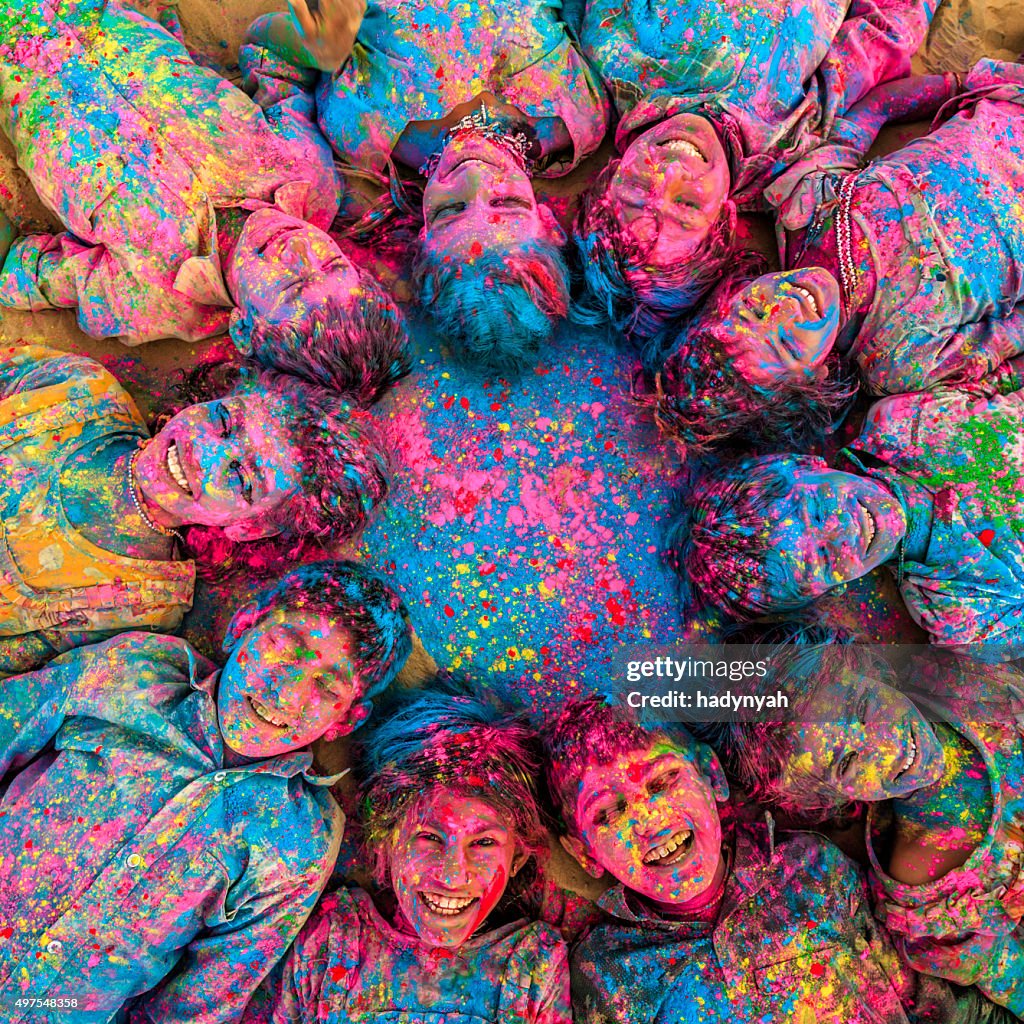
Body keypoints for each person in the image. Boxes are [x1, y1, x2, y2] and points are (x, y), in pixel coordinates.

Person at [0, 560, 412, 1022]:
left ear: (346, 720)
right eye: (285, 649)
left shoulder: (300, 843)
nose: (287, 692)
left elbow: (196, 1004)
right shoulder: (136, 674)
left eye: (325, 685)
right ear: (243, 626)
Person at [0, 0, 409, 396]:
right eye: (331, 261)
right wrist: (314, 46)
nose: (298, 249)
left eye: (293, 285)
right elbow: (271, 62)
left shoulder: (151, 301)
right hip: (100, 14)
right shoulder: (307, 172)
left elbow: (22, 272)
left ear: (245, 328)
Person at [542, 695, 981, 1023]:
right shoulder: (603, 972)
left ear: (712, 777)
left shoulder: (810, 870)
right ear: (584, 853)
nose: (649, 820)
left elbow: (929, 1001)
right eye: (607, 813)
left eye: (663, 780)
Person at [656, 60, 1024, 451]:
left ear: (735, 290)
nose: (786, 307)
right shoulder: (896, 360)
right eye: (787, 344)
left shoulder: (805, 208)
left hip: (1008, 107)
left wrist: (958, 83)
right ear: (816, 381)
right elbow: (1011, 335)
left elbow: (877, 109)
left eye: (754, 309)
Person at [244, 0, 609, 372]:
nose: (474, 176)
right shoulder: (582, 117)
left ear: (422, 235)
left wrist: (315, 46)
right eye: (505, 202)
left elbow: (267, 54)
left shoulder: (362, 130)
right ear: (548, 222)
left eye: (449, 210)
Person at [571, 0, 942, 349]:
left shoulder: (616, 54)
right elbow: (880, 40)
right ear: (723, 222)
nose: (669, 170)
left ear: (612, 172)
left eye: (637, 183)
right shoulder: (793, 138)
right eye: (685, 204)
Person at [0, 345, 390, 675]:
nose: (202, 453)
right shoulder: (82, 389)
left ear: (250, 528)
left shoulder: (144, 606)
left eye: (242, 478)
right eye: (223, 420)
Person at [718, 643, 1024, 1013]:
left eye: (862, 708)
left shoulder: (962, 682)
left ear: (872, 671)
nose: (885, 745)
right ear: (831, 797)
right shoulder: (927, 896)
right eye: (847, 762)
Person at [253, 684, 570, 1023]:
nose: (451, 876)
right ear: (384, 841)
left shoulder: (533, 968)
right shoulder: (332, 940)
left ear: (518, 857)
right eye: (430, 837)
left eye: (483, 843)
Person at [670, 381, 1024, 650]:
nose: (843, 531)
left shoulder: (902, 423)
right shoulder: (958, 612)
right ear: (828, 591)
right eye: (823, 558)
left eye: (820, 509)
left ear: (806, 463)